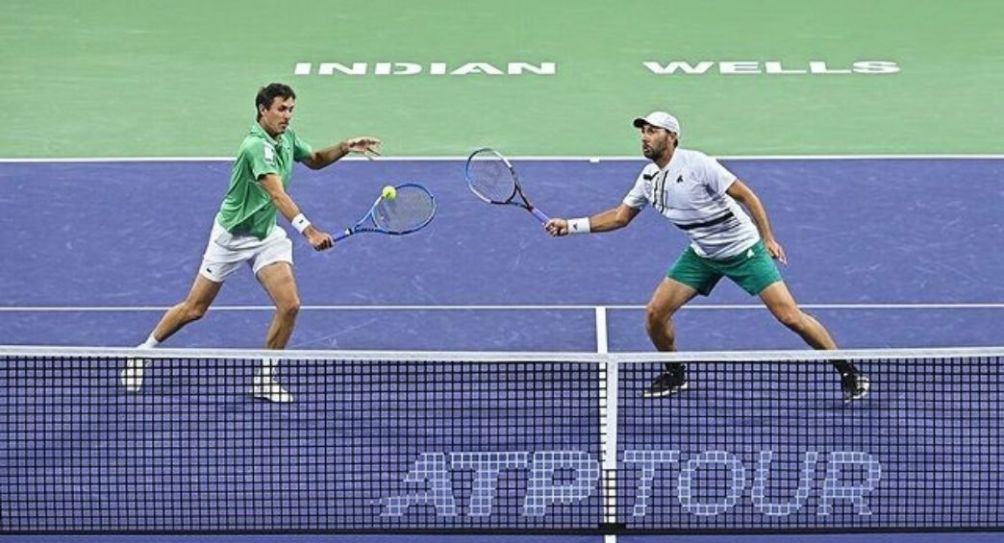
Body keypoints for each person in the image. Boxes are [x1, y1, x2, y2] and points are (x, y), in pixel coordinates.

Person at [545, 111, 870, 402]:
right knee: (656, 313)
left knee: (790, 317)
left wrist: (767, 237)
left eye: (652, 131)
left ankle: (847, 371)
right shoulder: (647, 179)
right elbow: (619, 217)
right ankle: (675, 372)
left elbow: (747, 196)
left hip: (744, 250)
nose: (645, 137)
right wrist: (570, 226)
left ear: (672, 137)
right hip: (702, 254)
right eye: (642, 131)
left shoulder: (697, 164)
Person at [120, 83, 381, 403]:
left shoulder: (286, 139)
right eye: (281, 109)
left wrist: (344, 146)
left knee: (290, 305)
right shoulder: (254, 147)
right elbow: (276, 193)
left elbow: (314, 159)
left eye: (291, 109)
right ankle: (142, 353)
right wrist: (309, 231)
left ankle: (265, 377)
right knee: (194, 309)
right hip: (232, 237)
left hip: (265, 235)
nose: (287, 116)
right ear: (263, 110)